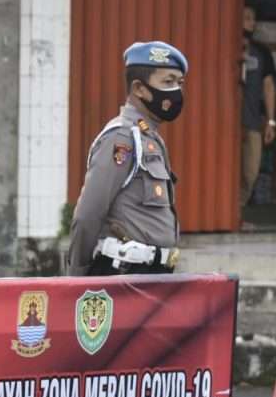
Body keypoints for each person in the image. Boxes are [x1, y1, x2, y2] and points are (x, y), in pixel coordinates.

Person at [68, 41, 188, 276]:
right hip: (123, 275)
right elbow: (88, 214)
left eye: (179, 83)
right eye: (168, 82)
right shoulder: (122, 138)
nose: (176, 91)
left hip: (151, 274)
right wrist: (76, 280)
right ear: (139, 89)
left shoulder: (148, 137)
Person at [240, 4, 276, 207]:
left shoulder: (261, 52)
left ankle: (237, 210)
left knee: (251, 171)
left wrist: (271, 121)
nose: (250, 22)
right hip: (224, 125)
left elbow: (269, 86)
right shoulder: (224, 44)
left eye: (252, 18)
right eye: (246, 17)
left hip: (252, 121)